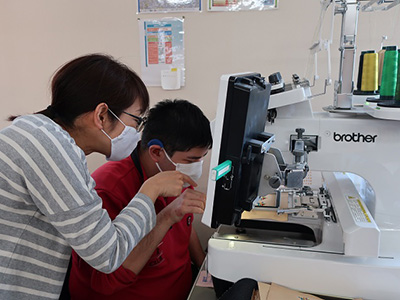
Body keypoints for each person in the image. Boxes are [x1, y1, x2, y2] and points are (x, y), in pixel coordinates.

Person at [0, 54, 202, 300]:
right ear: (102, 115)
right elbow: (108, 254)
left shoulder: (42, 136)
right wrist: (150, 191)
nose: (136, 133)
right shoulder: (50, 147)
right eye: (136, 120)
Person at [68, 99, 212, 300]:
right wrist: (167, 216)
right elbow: (106, 282)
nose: (197, 167)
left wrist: (206, 274)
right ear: (156, 152)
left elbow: (185, 228)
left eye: (202, 158)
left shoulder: (171, 171)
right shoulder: (107, 189)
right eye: (191, 160)